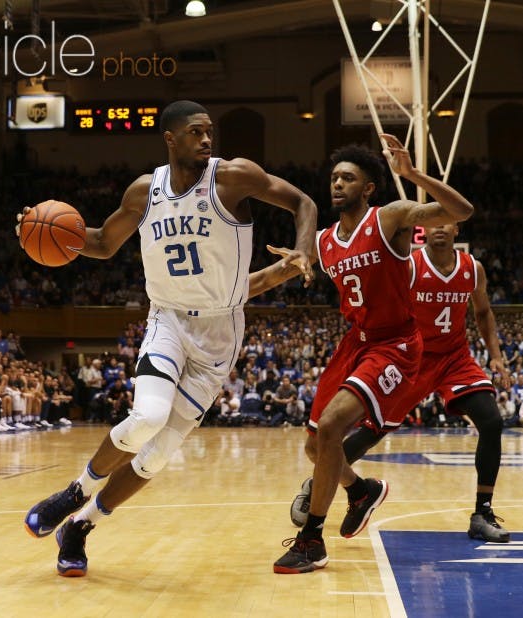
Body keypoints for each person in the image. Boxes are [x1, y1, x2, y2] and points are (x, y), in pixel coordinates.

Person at [20, 100, 317, 578]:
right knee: (147, 418)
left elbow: (303, 202)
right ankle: (74, 492)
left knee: (158, 455)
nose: (206, 139)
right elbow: (98, 242)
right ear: (171, 138)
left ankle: (79, 528)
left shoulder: (233, 176)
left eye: (209, 132)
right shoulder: (144, 191)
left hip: (221, 330)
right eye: (195, 132)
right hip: (168, 321)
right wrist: (40, 232)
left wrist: (303, 250)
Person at [264, 135, 474, 574]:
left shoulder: (389, 218)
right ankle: (360, 491)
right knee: (313, 445)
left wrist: (413, 175)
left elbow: (461, 212)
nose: (338, 184)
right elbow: (283, 271)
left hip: (395, 344)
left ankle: (311, 541)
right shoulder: (323, 241)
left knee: (332, 428)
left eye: (349, 178)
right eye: (335, 177)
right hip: (355, 342)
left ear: (368, 188)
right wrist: (270, 273)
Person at [287, 223, 512, 543]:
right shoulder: (408, 266)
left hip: (454, 358)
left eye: (446, 219)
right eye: (434, 221)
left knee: (491, 421)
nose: (439, 228)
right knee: (371, 432)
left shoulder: (472, 269)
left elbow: (484, 312)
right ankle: (320, 483)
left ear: (456, 227)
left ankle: (482, 513)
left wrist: (496, 355)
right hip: (413, 356)